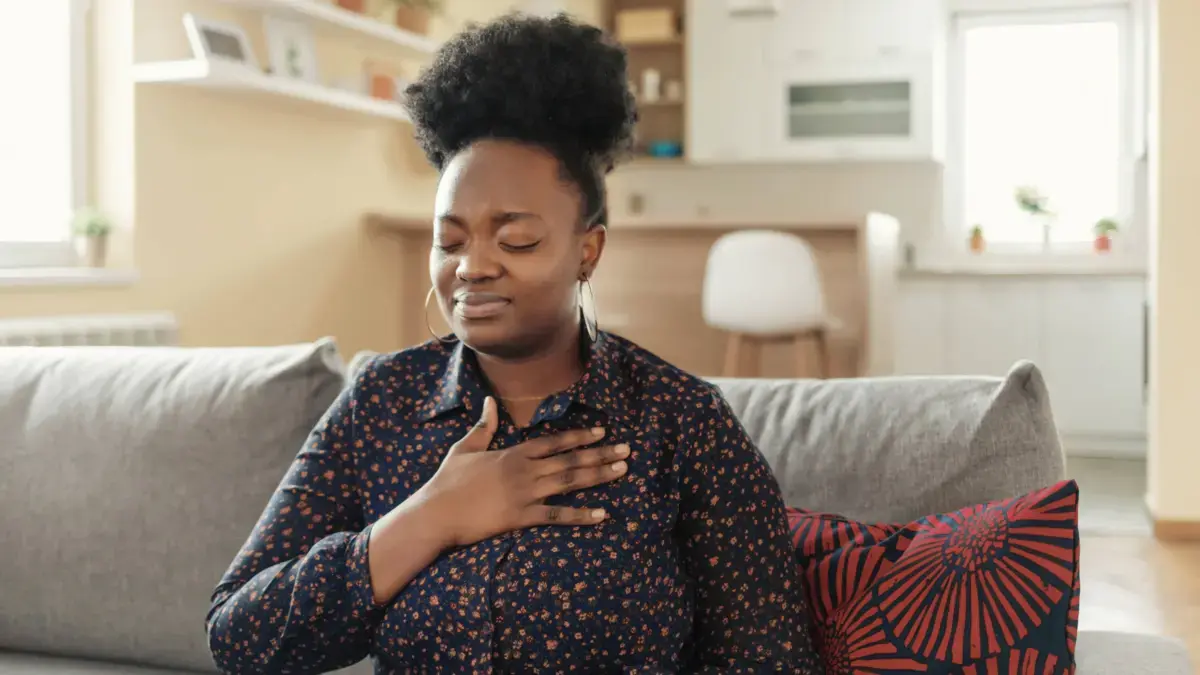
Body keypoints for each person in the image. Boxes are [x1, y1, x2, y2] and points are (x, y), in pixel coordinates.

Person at [205, 11, 821, 674]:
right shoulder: (381, 404)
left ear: (588, 251)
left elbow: (770, 658)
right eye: (450, 241)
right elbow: (239, 636)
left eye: (516, 239)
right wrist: (430, 517)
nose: (472, 266)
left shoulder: (683, 425)